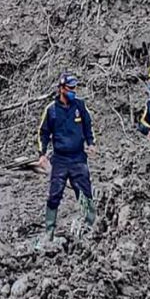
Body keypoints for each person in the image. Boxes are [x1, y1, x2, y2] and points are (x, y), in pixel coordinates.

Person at [37, 72, 96, 243]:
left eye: (74, 88)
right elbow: (43, 133)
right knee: (54, 194)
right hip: (60, 159)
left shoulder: (79, 106)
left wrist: (91, 143)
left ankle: (90, 227)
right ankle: (49, 232)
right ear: (61, 89)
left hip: (78, 158)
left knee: (84, 192)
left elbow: (88, 125)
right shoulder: (51, 110)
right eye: (69, 88)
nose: (73, 91)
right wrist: (42, 154)